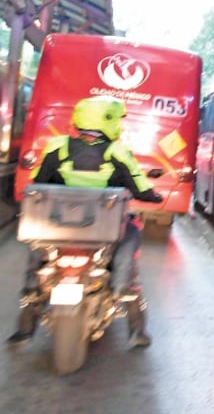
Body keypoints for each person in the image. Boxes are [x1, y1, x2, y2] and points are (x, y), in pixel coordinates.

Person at [7, 95, 163, 349]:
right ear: (109, 121)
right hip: (104, 231)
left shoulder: (57, 146)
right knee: (132, 235)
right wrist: (155, 196)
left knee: (38, 252)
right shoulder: (117, 152)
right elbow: (141, 188)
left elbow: (39, 182)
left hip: (57, 229)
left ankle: (26, 322)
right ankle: (130, 315)